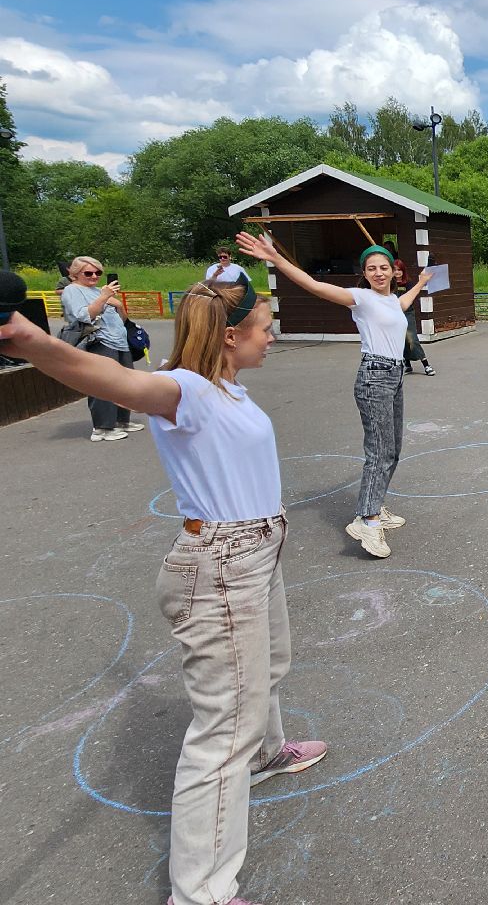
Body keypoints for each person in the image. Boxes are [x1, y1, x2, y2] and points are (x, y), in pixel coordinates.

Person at [0, 280, 329, 905]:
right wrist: (25, 336)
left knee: (271, 667)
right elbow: (104, 376)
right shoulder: (186, 391)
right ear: (230, 337)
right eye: (265, 326)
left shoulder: (229, 387)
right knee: (223, 727)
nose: (273, 334)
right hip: (221, 565)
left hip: (259, 552)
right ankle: (200, 890)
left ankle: (265, 754)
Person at [237, 233, 431, 559]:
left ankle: (375, 504)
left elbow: (404, 304)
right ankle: (367, 521)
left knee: (392, 448)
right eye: (372, 269)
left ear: (394, 271)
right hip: (375, 377)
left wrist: (422, 281)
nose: (379, 273)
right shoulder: (361, 298)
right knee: (379, 450)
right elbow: (314, 286)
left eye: (384, 267)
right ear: (365, 273)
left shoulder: (390, 302)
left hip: (395, 375)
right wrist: (276, 259)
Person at [60, 256, 143, 441]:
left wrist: (119, 305)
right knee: (104, 383)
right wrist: (104, 297)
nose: (94, 276)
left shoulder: (99, 290)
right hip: (98, 341)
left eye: (98, 272)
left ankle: (122, 420)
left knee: (125, 382)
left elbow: (121, 319)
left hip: (119, 341)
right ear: (74, 274)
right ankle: (102, 427)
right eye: (88, 273)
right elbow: (83, 316)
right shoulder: (71, 290)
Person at [393, 258, 435, 377]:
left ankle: (426, 364)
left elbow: (418, 288)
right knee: (400, 339)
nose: (397, 273)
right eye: (395, 270)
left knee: (412, 338)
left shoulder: (409, 283)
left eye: (399, 270)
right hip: (394, 314)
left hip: (407, 313)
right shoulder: (389, 284)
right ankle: (407, 364)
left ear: (403, 271)